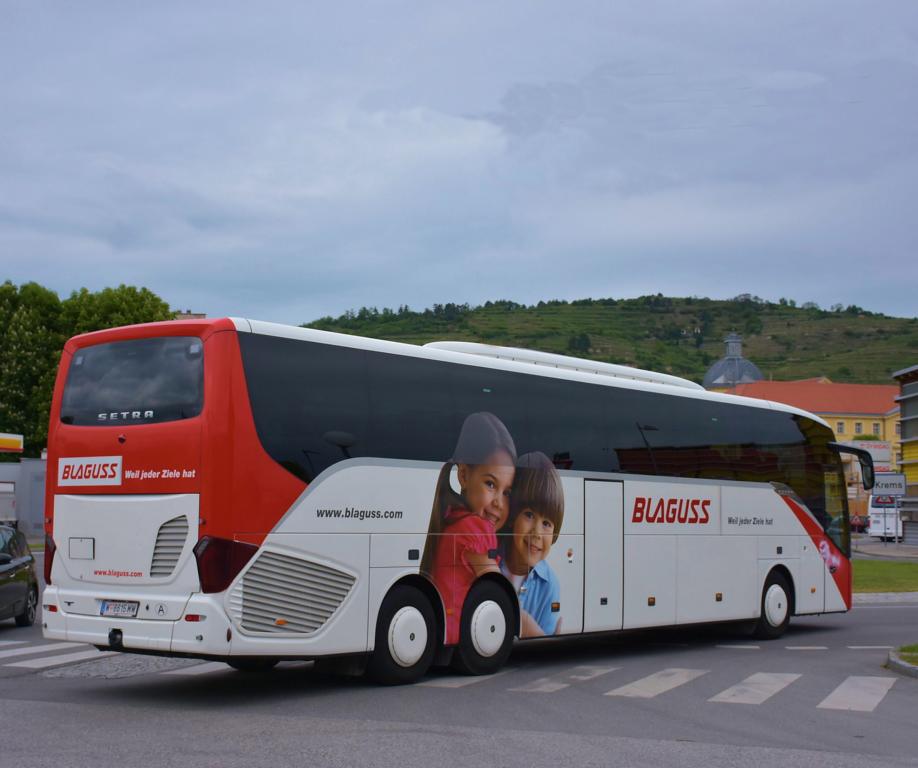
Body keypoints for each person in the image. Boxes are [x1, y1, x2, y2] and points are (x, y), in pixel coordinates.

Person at [420, 412, 517, 645]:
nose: (499, 503)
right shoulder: (475, 528)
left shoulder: (452, 520)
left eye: (506, 492)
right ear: (463, 475)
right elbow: (498, 590)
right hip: (459, 632)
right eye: (490, 484)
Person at [499, 451, 565, 637]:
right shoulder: (489, 561)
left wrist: (527, 627)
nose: (537, 533)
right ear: (512, 516)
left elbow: (545, 643)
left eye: (546, 523)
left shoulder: (550, 584)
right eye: (529, 515)